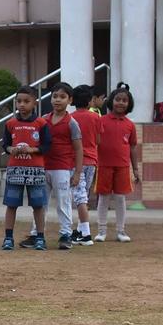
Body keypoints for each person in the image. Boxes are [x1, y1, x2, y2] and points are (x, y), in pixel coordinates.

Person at [22, 82, 81, 250]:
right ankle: (36, 234)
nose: (57, 100)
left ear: (70, 100)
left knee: (63, 202)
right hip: (42, 167)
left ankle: (66, 235)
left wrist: (77, 172)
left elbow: (78, 148)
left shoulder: (72, 123)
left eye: (62, 97)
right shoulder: (43, 121)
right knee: (40, 203)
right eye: (55, 96)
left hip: (62, 168)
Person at [1, 86, 51, 250]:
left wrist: (32, 149)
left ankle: (40, 237)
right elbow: (5, 145)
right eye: (19, 101)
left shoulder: (41, 123)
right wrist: (11, 150)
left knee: (38, 205)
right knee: (11, 204)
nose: (22, 104)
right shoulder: (10, 124)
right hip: (15, 170)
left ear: (35, 103)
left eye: (26, 101)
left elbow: (46, 145)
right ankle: (8, 238)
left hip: (35, 171)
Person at [95, 83, 141, 242]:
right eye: (117, 99)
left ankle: (121, 231)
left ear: (129, 104)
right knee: (104, 198)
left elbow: (133, 147)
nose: (121, 103)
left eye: (124, 100)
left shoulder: (130, 125)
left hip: (122, 166)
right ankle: (101, 231)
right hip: (104, 165)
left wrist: (135, 169)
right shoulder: (101, 121)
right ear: (111, 101)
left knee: (120, 199)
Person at [70, 84, 101, 245]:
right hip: (92, 161)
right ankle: (81, 231)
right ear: (90, 101)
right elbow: (98, 140)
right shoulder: (95, 117)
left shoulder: (71, 118)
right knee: (84, 195)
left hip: (76, 161)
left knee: (79, 196)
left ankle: (85, 233)